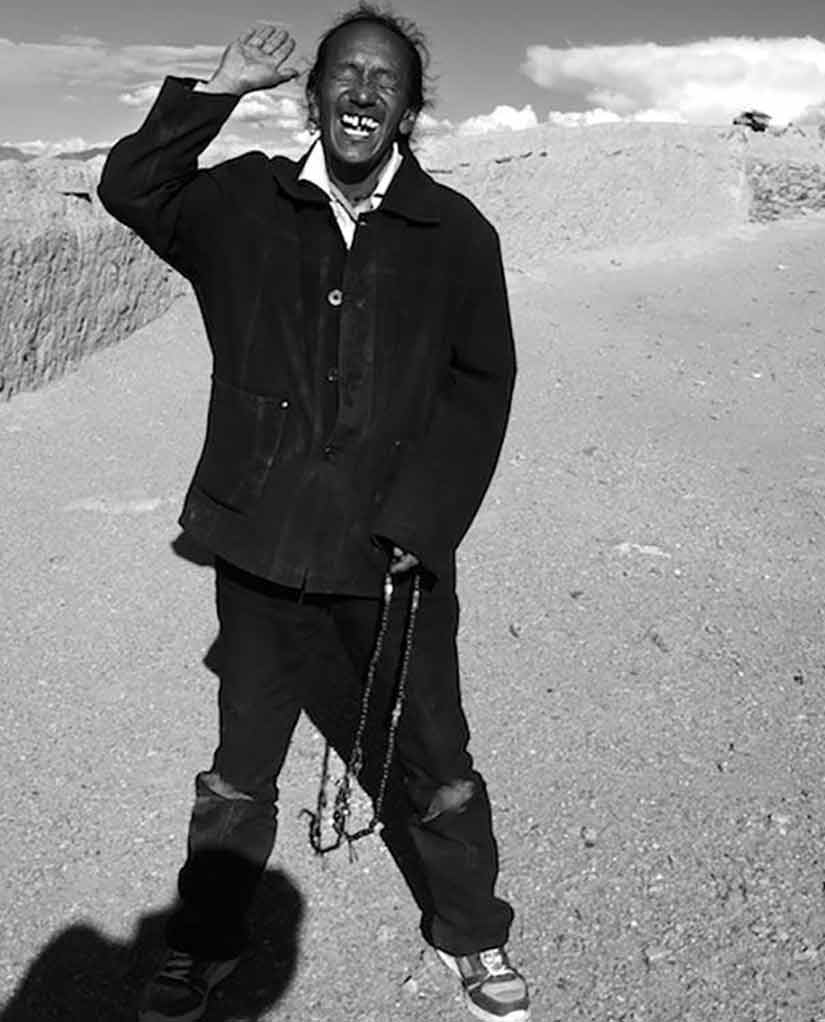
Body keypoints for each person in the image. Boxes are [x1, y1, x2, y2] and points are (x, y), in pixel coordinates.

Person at [98, 7, 529, 1022]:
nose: (362, 91)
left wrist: (419, 526)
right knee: (241, 765)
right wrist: (217, 88)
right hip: (260, 535)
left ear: (410, 108)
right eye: (344, 74)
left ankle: (472, 930)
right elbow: (131, 186)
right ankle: (203, 945)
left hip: (394, 555)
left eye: (385, 79)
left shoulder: (455, 233)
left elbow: (481, 385)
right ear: (313, 93)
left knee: (435, 756)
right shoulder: (244, 205)